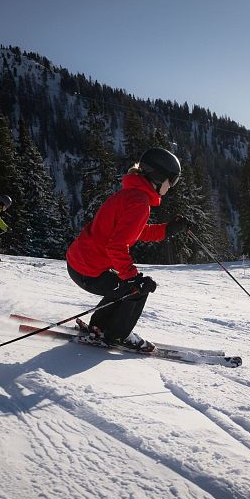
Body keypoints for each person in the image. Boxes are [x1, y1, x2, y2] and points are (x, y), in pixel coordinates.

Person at [66, 147, 190, 352]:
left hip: (81, 263)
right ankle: (117, 335)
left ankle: (99, 327)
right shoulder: (139, 202)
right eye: (171, 181)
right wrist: (132, 278)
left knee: (124, 283)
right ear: (158, 177)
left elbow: (136, 231)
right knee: (137, 288)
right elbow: (116, 246)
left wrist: (168, 230)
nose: (171, 187)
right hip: (87, 270)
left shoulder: (132, 195)